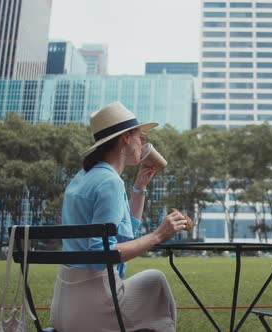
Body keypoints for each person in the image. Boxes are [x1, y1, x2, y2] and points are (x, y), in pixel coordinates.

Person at [49, 101, 187, 332]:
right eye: (140, 136)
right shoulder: (110, 181)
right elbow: (101, 253)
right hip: (94, 308)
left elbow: (122, 237)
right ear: (125, 138)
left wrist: (139, 187)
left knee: (152, 282)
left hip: (64, 307)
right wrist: (157, 235)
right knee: (156, 281)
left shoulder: (83, 177)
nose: (142, 143)